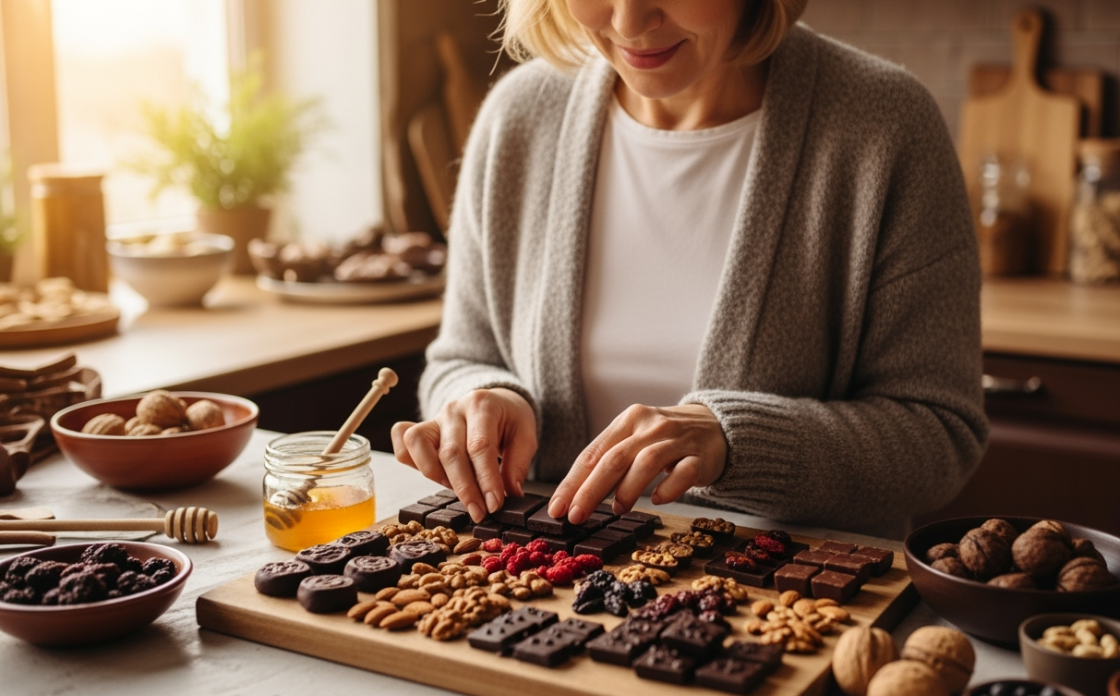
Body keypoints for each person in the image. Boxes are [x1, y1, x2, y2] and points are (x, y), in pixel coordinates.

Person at [391, 0, 988, 539]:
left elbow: (938, 435)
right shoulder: (518, 116)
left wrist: (734, 442)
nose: (628, 22)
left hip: (778, 615)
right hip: (548, 597)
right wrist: (483, 399)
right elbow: (461, 358)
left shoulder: (885, 123)